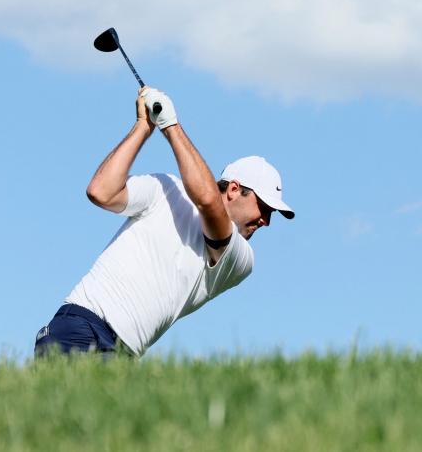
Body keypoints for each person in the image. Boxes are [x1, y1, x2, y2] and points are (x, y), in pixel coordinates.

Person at [35, 86, 295, 358]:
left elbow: (208, 202)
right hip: (82, 324)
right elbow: (101, 192)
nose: (266, 221)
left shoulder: (242, 259)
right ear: (233, 190)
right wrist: (143, 127)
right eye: (263, 208)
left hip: (123, 355)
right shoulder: (167, 188)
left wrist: (171, 125)